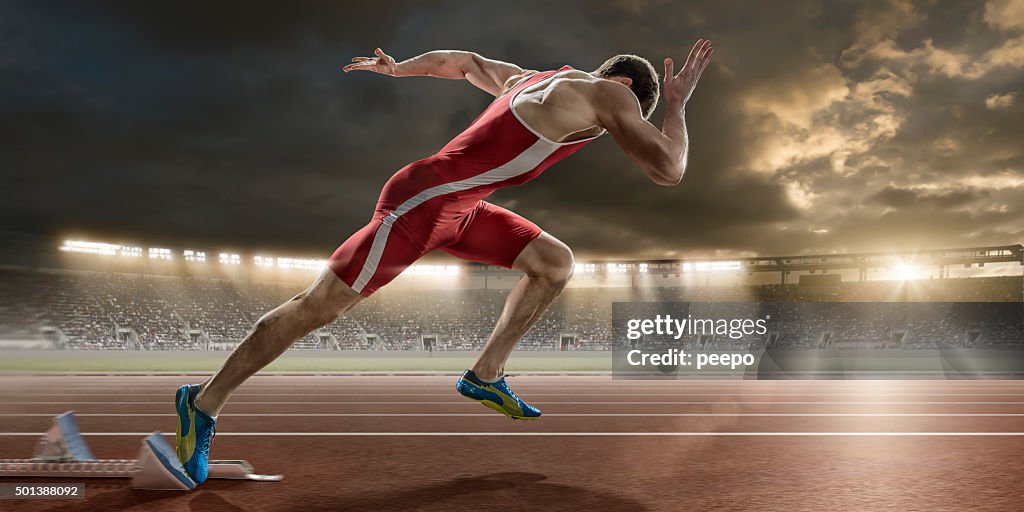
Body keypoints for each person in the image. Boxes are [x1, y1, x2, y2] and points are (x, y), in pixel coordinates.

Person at [175, 40, 714, 483]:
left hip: (459, 207)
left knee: (553, 262)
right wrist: (675, 105)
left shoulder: (529, 78)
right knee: (318, 308)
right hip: (424, 202)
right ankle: (202, 402)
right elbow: (669, 169)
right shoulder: (608, 94)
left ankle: (486, 374)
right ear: (625, 90)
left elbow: (463, 63)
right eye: (628, 119)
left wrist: (398, 69)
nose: (616, 130)